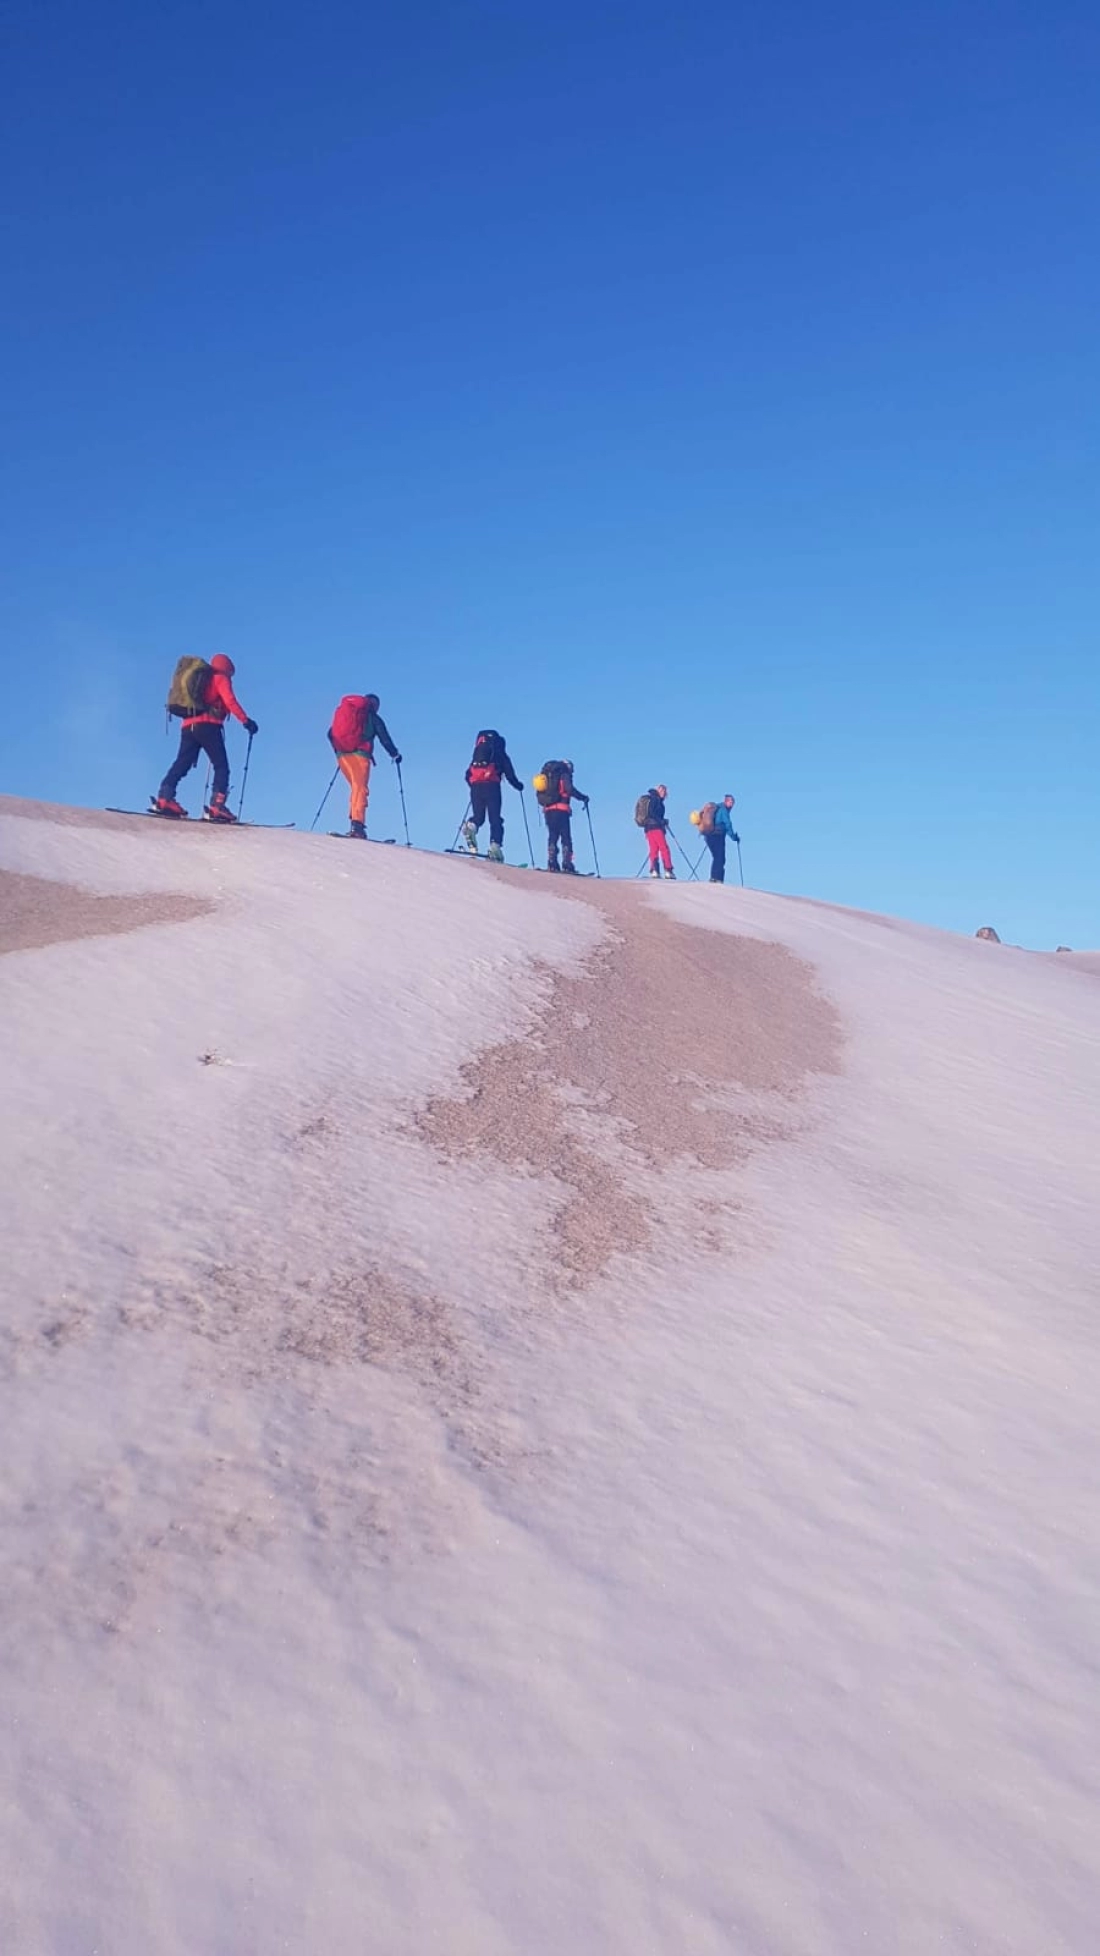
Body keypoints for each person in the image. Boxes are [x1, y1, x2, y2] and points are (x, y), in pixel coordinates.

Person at [155, 654, 258, 822]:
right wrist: (246, 721)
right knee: (221, 765)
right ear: (228, 669)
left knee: (182, 762)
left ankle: (164, 797)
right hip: (208, 726)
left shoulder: (201, 679)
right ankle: (217, 806)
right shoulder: (220, 678)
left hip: (188, 725)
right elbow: (230, 701)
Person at [327, 692, 401, 839]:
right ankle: (358, 826)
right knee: (360, 789)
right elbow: (384, 738)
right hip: (360, 756)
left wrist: (342, 748)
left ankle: (354, 822)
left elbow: (330, 734)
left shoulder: (349, 714)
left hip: (342, 756)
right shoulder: (373, 718)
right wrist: (395, 754)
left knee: (356, 788)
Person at [463, 730, 524, 862]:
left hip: (476, 788)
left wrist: (474, 785)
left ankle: (470, 827)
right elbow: (510, 775)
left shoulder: (477, 755)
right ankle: (495, 846)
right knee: (495, 818)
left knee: (479, 816)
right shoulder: (500, 754)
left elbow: (467, 775)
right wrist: (518, 786)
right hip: (492, 788)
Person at [537, 760, 589, 874]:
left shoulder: (547, 774)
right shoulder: (563, 773)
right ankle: (567, 863)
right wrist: (583, 797)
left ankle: (552, 862)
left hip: (549, 810)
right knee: (566, 837)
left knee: (552, 835)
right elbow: (569, 789)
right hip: (562, 810)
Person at [700, 795, 739, 883]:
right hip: (718, 835)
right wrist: (734, 837)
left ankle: (715, 877)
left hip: (709, 835)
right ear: (726, 802)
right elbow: (728, 824)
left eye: (733, 803)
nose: (732, 804)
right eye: (730, 802)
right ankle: (717, 878)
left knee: (717, 857)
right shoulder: (723, 810)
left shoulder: (717, 808)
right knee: (720, 857)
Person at [639, 785, 675, 879]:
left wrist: (662, 821)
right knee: (664, 848)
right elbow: (653, 813)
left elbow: (652, 813)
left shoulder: (652, 799)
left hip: (648, 828)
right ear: (659, 790)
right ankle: (668, 869)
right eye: (663, 791)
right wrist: (662, 821)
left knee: (653, 849)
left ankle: (654, 870)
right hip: (655, 827)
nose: (664, 793)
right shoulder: (656, 800)